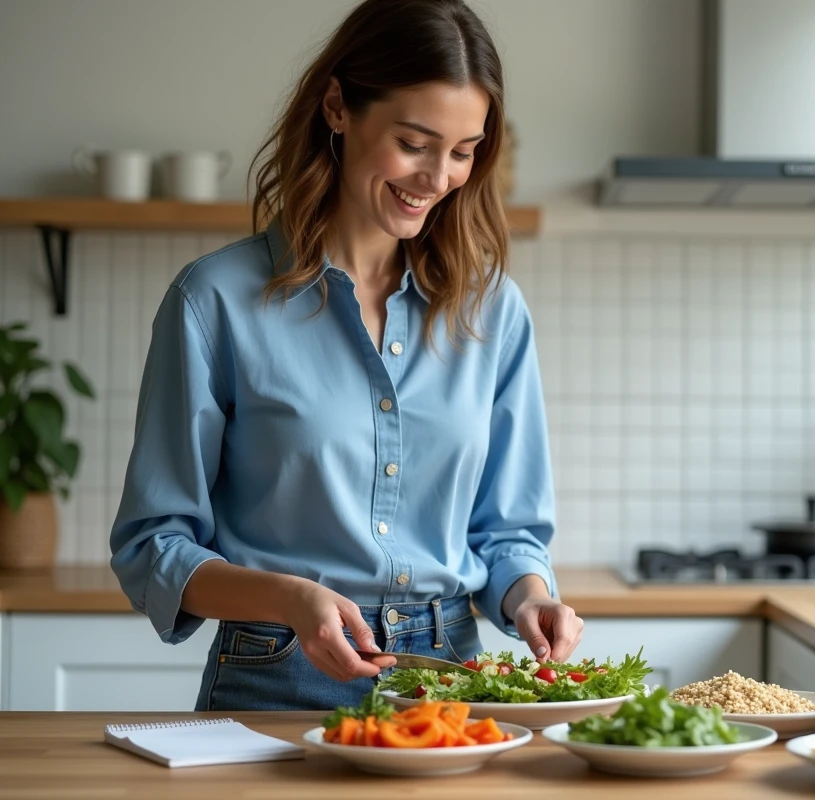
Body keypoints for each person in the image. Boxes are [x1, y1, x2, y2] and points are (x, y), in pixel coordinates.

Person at [108, 0, 582, 712]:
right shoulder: (214, 301)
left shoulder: (491, 310)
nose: (438, 178)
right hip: (277, 673)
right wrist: (289, 598)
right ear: (338, 107)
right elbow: (154, 544)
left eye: (463, 151)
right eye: (415, 143)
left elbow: (506, 530)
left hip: (451, 679)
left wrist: (530, 598)